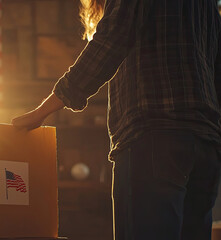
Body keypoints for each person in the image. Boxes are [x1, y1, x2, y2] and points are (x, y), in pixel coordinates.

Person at [12, 0, 221, 239]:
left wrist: (42, 112)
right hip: (206, 149)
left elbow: (111, 40)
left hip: (153, 138)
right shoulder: (207, 4)